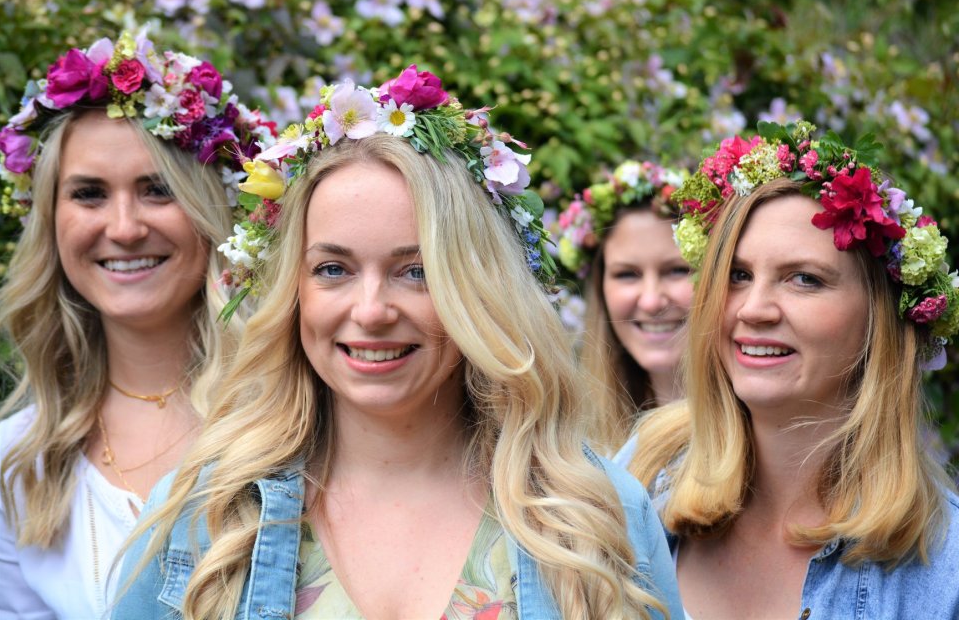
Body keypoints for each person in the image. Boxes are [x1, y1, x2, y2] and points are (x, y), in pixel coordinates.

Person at [114, 65, 684, 620]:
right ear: (294, 291)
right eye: (333, 269)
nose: (371, 311)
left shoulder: (596, 517)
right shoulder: (205, 518)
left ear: (476, 290)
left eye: (416, 272)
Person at [624, 121, 959, 619]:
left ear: (879, 320)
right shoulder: (640, 477)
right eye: (737, 275)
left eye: (804, 279)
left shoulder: (944, 571)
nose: (753, 309)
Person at [0, 30, 274, 618]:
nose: (123, 228)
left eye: (157, 190)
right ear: (51, 222)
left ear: (213, 209)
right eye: (89, 194)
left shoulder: (288, 414)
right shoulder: (17, 463)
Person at [556, 161, 691, 454]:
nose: (652, 301)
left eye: (678, 270)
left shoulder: (765, 436)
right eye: (627, 274)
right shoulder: (574, 446)